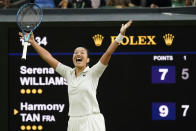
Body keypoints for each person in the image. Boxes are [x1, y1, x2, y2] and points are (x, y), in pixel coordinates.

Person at [19, 20, 132, 131]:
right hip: (73, 122)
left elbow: (108, 53)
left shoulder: (93, 72)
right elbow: (48, 58)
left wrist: (120, 35)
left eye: (82, 52)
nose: (78, 54)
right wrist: (33, 42)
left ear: (87, 60)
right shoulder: (68, 73)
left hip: (91, 120)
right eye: (75, 52)